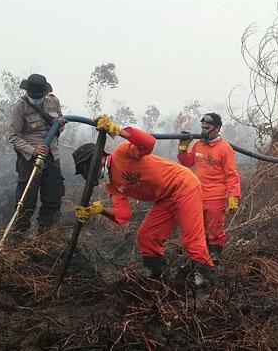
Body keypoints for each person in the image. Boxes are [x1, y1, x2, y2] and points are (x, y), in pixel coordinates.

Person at [72, 115, 214, 288]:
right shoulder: (112, 185)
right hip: (164, 197)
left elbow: (148, 143)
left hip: (183, 186)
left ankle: (204, 285)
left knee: (192, 240)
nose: (87, 176)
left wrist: (118, 131)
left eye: (86, 170)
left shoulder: (121, 154)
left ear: (95, 160)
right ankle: (155, 279)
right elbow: (123, 215)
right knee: (146, 236)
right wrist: (99, 209)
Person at [177, 113, 241, 264]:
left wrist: (233, 199)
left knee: (215, 232)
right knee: (197, 230)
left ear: (217, 128)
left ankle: (214, 262)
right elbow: (187, 162)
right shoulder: (198, 144)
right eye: (202, 128)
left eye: (207, 128)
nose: (204, 131)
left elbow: (232, 176)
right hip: (197, 195)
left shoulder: (225, 149)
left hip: (215, 198)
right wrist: (183, 147)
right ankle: (198, 261)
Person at [8, 73, 66, 235]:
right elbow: (14, 137)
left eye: (39, 96)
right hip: (29, 159)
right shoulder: (19, 107)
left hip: (52, 156)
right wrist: (33, 150)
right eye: (33, 96)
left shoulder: (53, 101)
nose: (37, 98)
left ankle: (46, 237)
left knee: (53, 198)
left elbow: (59, 126)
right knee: (26, 200)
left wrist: (60, 125)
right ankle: (19, 236)